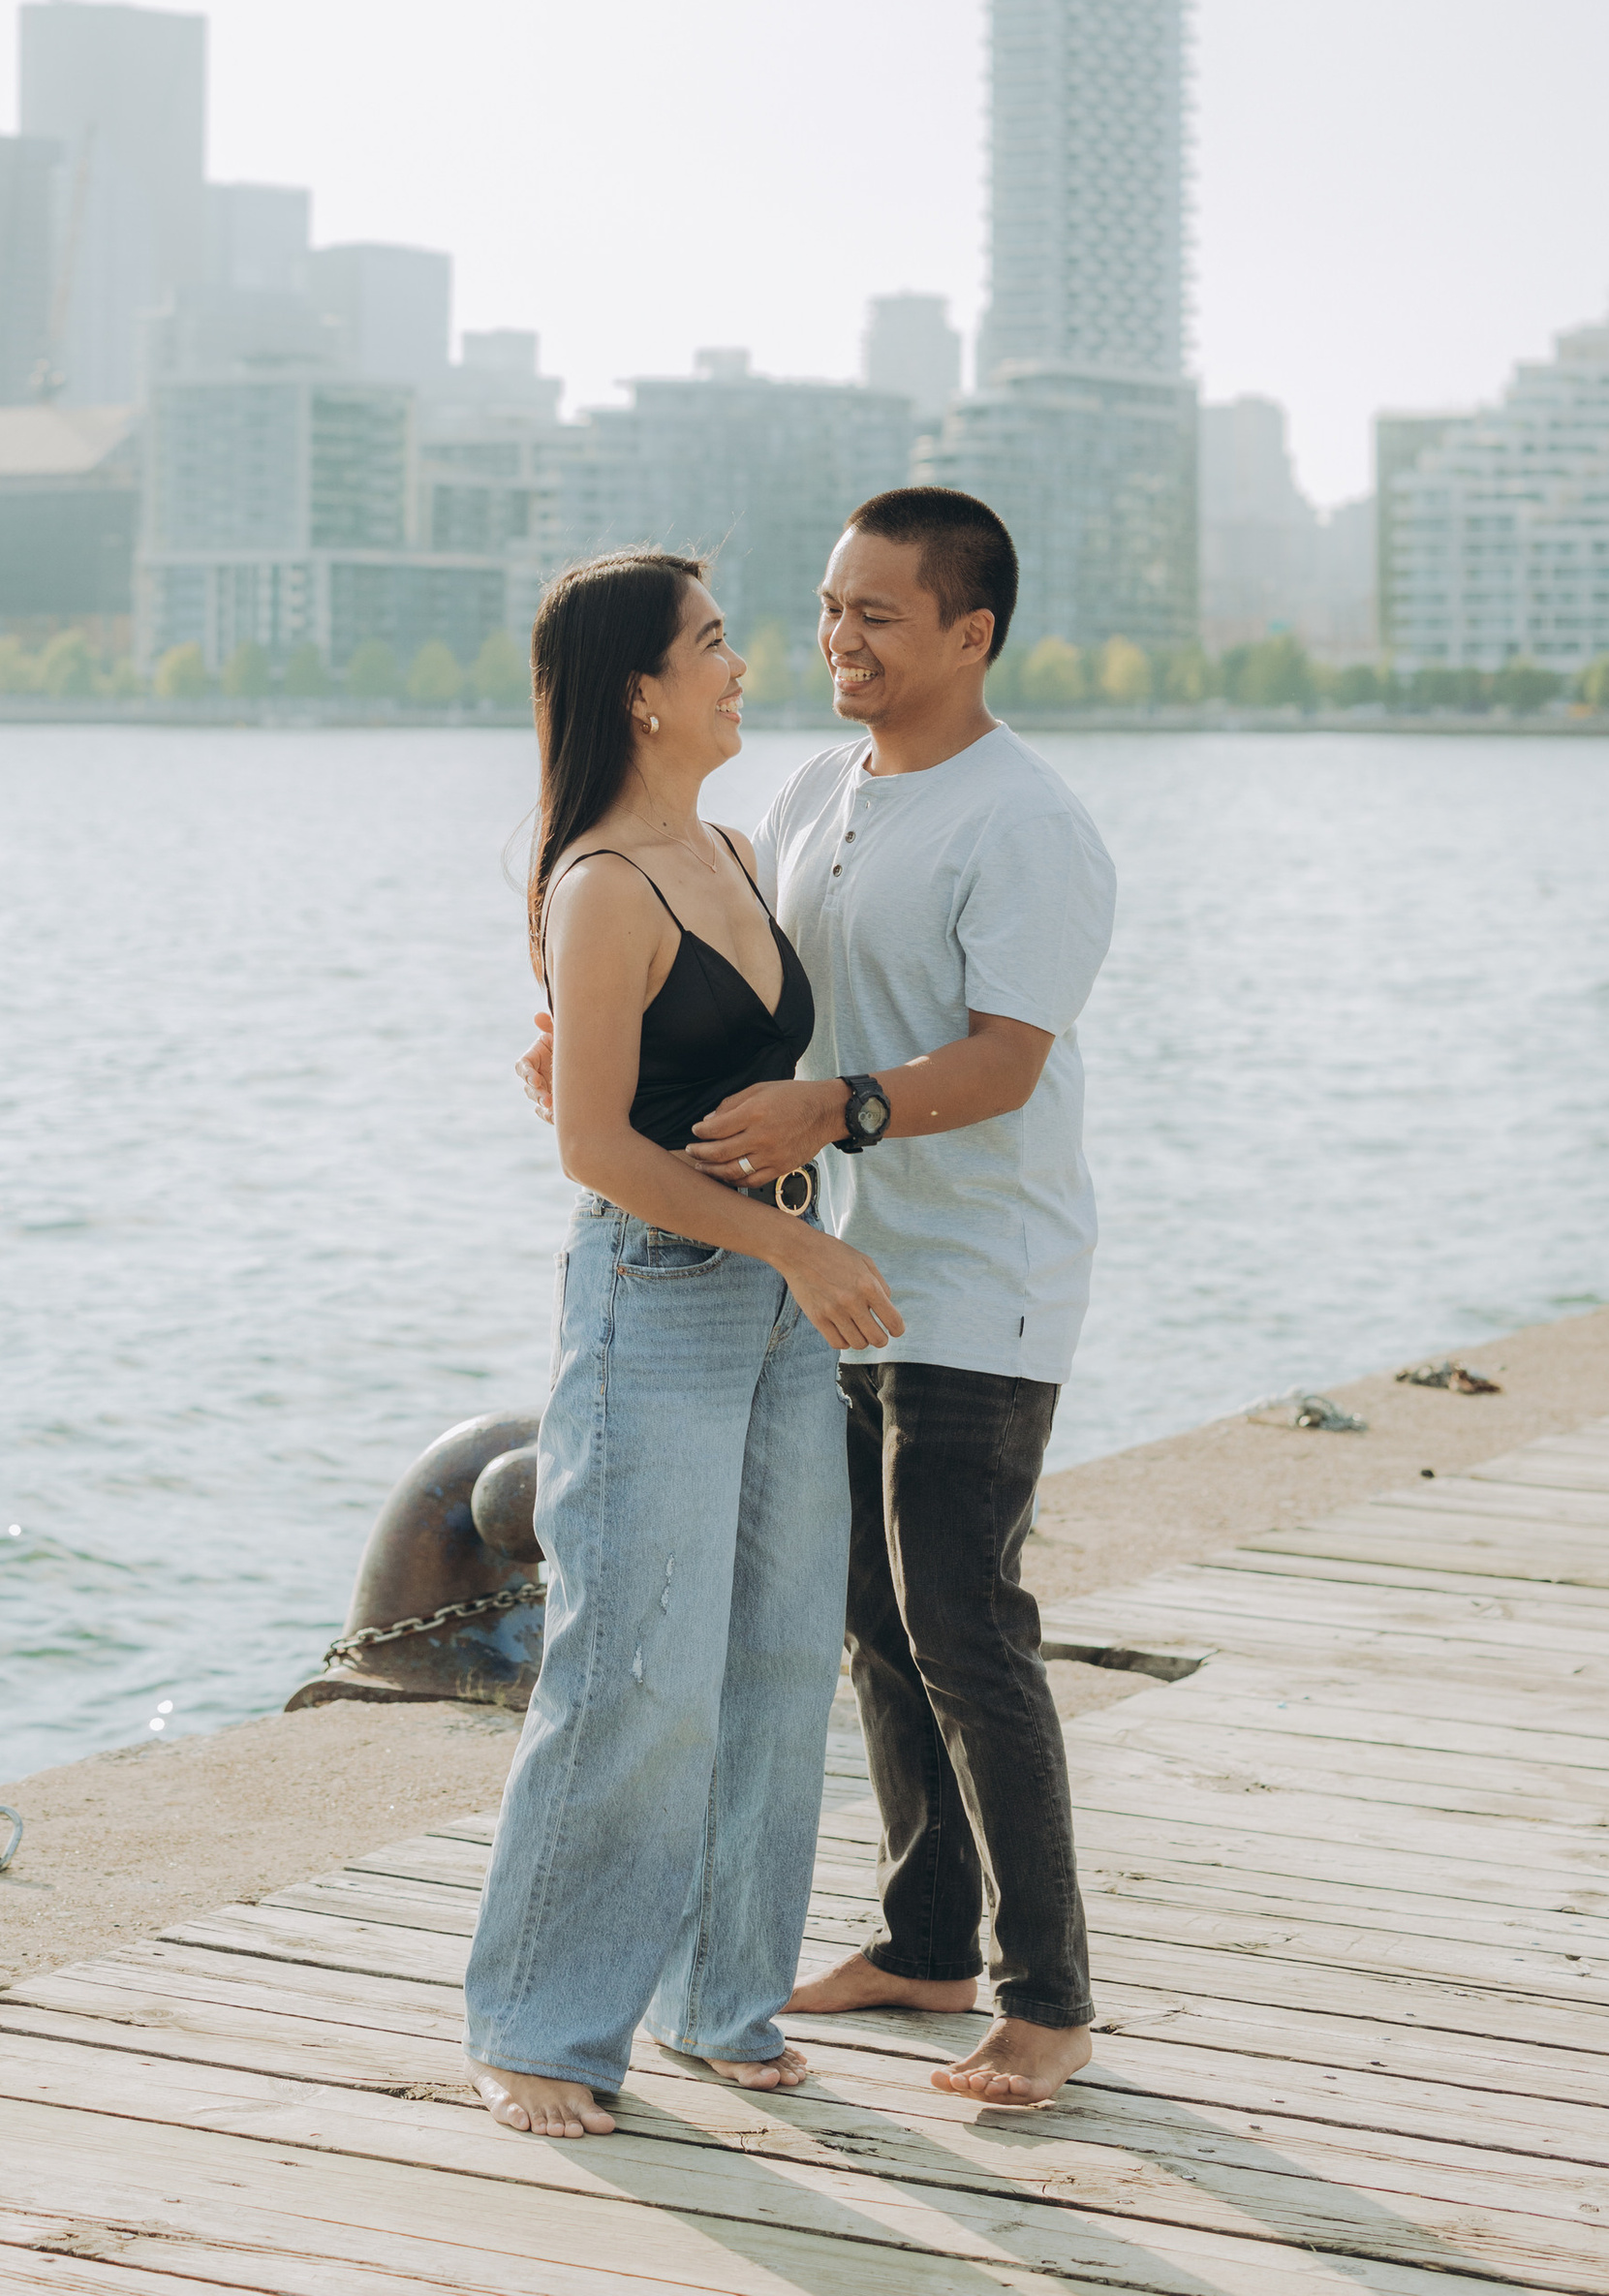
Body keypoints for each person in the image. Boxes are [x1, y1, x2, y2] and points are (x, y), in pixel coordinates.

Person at [521, 485, 1116, 2109]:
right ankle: (925, 1938)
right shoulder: (801, 794)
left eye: (880, 617)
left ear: (972, 636)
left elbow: (1003, 1062)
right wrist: (602, 1080)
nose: (834, 640)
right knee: (860, 1619)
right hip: (803, 1280)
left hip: (977, 1281)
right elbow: (724, 999)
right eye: (829, 607)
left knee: (963, 1625)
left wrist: (834, 1114)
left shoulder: (1029, 824)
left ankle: (1046, 1993)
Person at [464, 549, 904, 2143]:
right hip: (659, 1296)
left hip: (779, 1297)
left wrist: (800, 1232)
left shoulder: (725, 843)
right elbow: (595, 1146)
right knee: (631, 1678)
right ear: (641, 690)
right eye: (714, 644)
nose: (744, 663)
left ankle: (724, 2003)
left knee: (781, 1660)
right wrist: (793, 1238)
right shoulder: (601, 883)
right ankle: (539, 2025)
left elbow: (677, 1074)